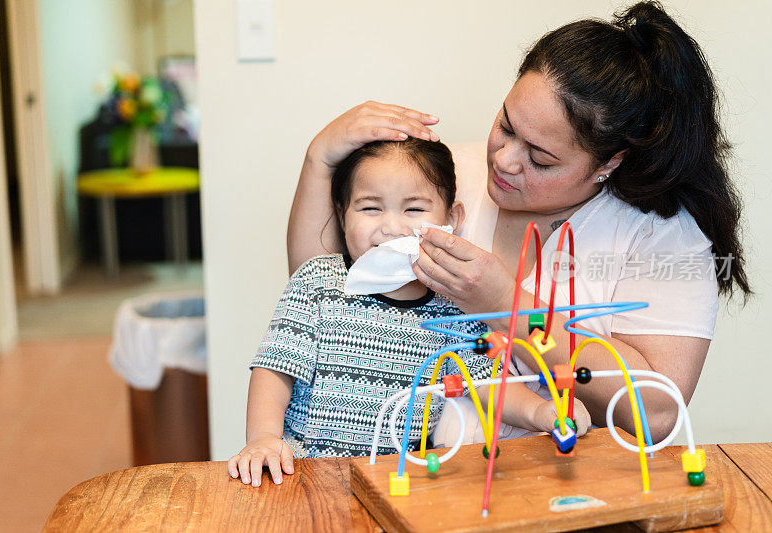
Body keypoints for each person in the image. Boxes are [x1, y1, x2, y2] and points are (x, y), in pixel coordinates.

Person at [286, 2, 750, 444]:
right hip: (413, 470)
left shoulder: (660, 236)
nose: (504, 161)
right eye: (506, 126)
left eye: (541, 158)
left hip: (560, 489)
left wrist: (506, 304)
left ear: (609, 162)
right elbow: (323, 292)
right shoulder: (443, 183)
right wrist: (319, 158)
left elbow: (658, 414)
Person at [228, 138, 591, 487]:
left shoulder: (455, 305)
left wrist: (542, 413)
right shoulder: (318, 281)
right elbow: (275, 369)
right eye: (370, 207)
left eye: (414, 209)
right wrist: (262, 438)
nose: (391, 226)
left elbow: (486, 386)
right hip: (304, 472)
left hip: (403, 482)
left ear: (452, 218)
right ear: (342, 215)